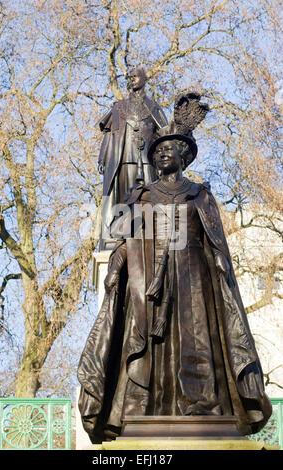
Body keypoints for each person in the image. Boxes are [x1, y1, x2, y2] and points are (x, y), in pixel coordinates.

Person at [78, 95, 272, 443]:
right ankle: (144, 405)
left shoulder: (199, 194)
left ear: (184, 157)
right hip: (149, 277)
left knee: (196, 338)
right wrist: (114, 270)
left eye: (170, 150)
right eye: (159, 152)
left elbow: (216, 242)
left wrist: (219, 268)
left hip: (194, 277)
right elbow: (123, 241)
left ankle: (202, 406)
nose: (163, 154)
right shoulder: (140, 195)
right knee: (147, 340)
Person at [97, 67, 167, 247]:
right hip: (125, 160)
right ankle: (121, 237)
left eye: (135, 76)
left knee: (148, 200)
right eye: (130, 77)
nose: (132, 79)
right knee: (124, 201)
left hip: (147, 162)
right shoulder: (119, 107)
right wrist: (103, 158)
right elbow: (109, 133)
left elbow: (165, 134)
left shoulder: (153, 107)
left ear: (144, 79)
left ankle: (148, 237)